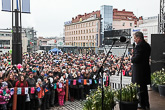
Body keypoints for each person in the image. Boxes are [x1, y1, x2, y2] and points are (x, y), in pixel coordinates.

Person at [131, 31, 151, 110]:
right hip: (145, 70)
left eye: (135, 38)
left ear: (139, 38)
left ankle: (142, 104)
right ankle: (146, 104)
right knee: (144, 88)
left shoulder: (139, 46)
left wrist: (132, 58)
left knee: (140, 89)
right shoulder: (147, 45)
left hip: (139, 71)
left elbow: (137, 58)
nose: (134, 40)